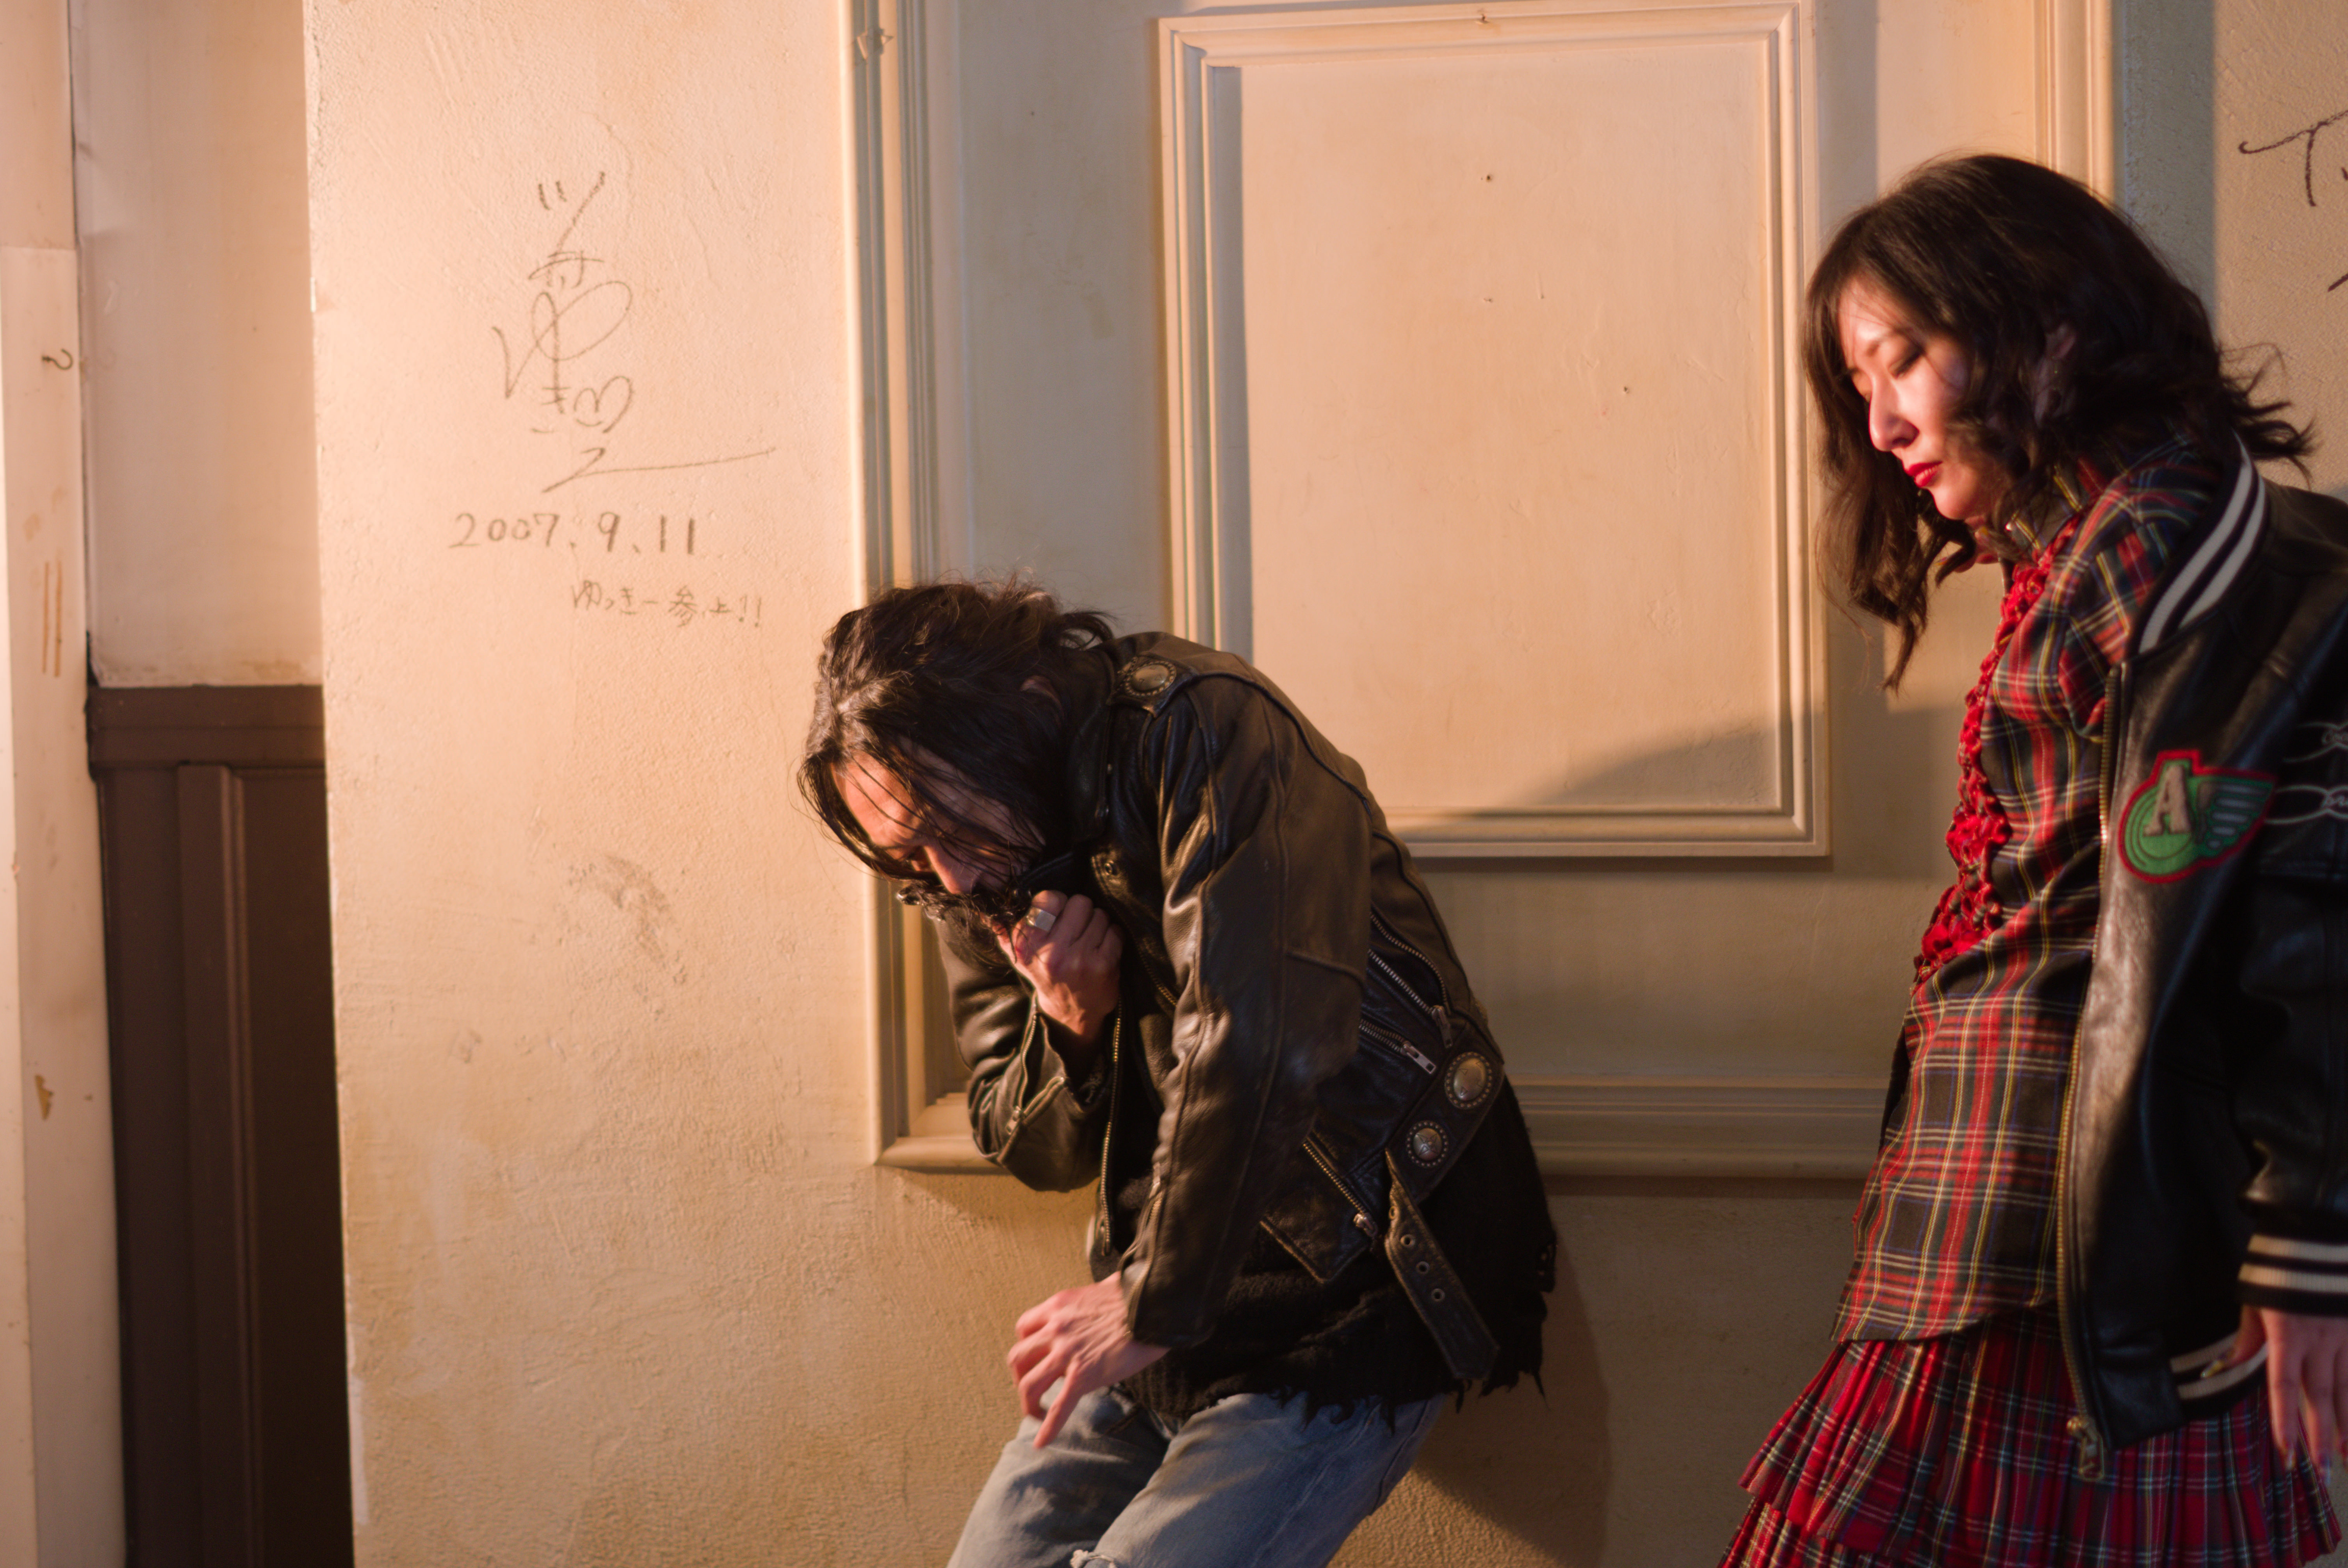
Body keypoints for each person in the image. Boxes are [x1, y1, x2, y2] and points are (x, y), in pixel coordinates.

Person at [1720, 152, 2348, 1568]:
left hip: (2042, 1216)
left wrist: (2310, 1237)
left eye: (1901, 360)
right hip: (2008, 1207)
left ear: (2047, 328)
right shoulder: (2088, 544)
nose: (1878, 423)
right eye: (1858, 383)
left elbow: (2304, 897)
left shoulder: (2156, 544)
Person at [801, 581, 1555, 1568]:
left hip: (1363, 1262)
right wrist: (1070, 1022)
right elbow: (1027, 1145)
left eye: (948, 824)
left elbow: (1263, 1034)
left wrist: (1153, 1298)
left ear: (1024, 707)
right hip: (1164, 1275)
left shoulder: (1200, 724)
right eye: (910, 854)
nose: (950, 876)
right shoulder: (976, 870)